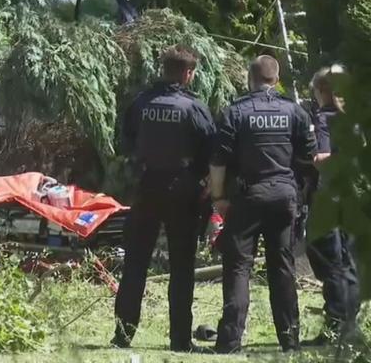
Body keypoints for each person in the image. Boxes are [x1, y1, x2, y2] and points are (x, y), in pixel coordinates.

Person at [209, 55, 317, 353]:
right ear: (276, 78)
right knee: (282, 268)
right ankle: (290, 340)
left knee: (238, 267)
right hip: (284, 198)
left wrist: (219, 199)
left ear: (250, 78)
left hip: (248, 198)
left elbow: (218, 162)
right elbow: (309, 161)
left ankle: (230, 342)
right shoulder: (295, 112)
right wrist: (300, 195)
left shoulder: (235, 112)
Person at [113, 45, 215, 352]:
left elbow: (126, 141)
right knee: (182, 267)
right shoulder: (193, 107)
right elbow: (211, 148)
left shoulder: (141, 102)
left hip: (147, 186)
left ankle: (122, 335)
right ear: (187, 73)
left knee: (135, 262)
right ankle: (180, 340)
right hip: (182, 188)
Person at [303, 64, 360, 346]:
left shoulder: (324, 117)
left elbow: (324, 157)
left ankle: (336, 325)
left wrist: (314, 159)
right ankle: (350, 327)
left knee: (331, 261)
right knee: (348, 263)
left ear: (321, 90)